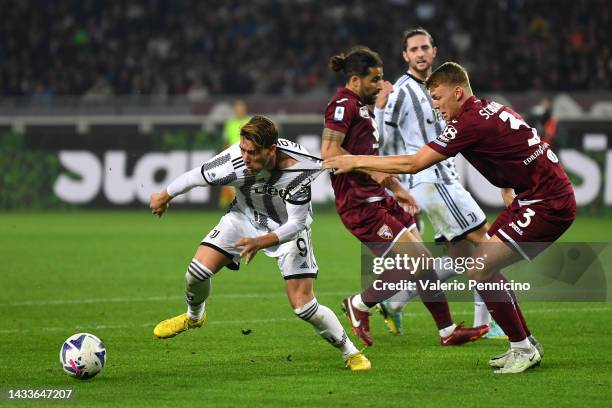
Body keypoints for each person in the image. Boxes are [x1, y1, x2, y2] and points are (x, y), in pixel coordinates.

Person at [323, 61, 576, 374]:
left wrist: (354, 160)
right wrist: (509, 187)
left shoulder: (467, 123)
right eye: (431, 99)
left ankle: (522, 347)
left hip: (547, 202)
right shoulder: (491, 108)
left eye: (439, 97)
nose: (436, 105)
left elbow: (415, 162)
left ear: (458, 91)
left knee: (480, 269)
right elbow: (516, 143)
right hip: (536, 196)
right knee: (481, 263)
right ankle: (524, 343)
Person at [149, 115, 371, 371]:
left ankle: (350, 352)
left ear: (271, 150)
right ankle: (194, 317)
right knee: (195, 273)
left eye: (253, 153)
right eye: (243, 149)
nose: (245, 158)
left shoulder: (300, 169)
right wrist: (164, 196)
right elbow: (195, 177)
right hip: (243, 218)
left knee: (304, 307)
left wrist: (261, 242)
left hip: (287, 230)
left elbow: (297, 223)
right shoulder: (233, 161)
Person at [321, 46, 488, 348]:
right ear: (355, 80)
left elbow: (371, 152)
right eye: (375, 80)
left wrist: (397, 190)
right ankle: (359, 305)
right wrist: (373, 174)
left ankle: (447, 331)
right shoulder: (342, 105)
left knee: (422, 264)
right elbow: (330, 153)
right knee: (419, 261)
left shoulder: (362, 107)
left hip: (380, 197)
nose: (380, 85)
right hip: (359, 205)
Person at [373, 28, 505, 339]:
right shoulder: (401, 91)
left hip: (444, 177)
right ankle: (491, 323)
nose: (419, 53)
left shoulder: (442, 87)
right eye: (413, 49)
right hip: (433, 180)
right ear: (405, 56)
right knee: (485, 243)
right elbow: (380, 137)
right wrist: (379, 106)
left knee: (460, 257)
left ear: (434, 51)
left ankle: (397, 300)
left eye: (424, 47)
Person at [219, 100, 252, 207]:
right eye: (237, 109)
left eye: (241, 109)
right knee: (233, 187)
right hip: (233, 159)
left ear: (245, 110)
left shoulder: (251, 122)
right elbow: (226, 142)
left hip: (248, 159)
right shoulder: (229, 124)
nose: (239, 111)